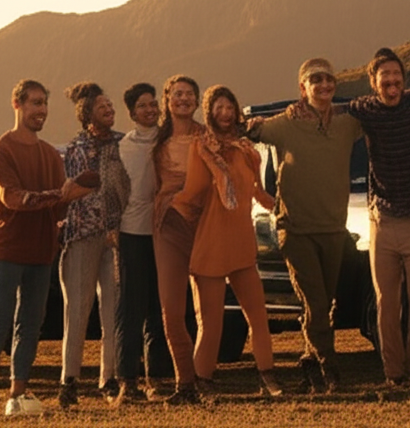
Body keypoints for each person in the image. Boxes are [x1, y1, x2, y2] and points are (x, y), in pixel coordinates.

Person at [0, 79, 91, 422]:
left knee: (30, 324)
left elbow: (58, 210)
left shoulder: (50, 154)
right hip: (6, 248)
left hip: (40, 250)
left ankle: (17, 394)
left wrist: (69, 200)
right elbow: (12, 198)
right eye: (35, 103)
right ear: (17, 104)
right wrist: (61, 195)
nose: (42, 111)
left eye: (45, 104)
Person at [247, 58, 364, 393]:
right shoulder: (285, 123)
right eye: (315, 80)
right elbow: (248, 133)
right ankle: (331, 372)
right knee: (314, 303)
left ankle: (310, 360)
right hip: (295, 229)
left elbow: (380, 112)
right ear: (303, 88)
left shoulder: (347, 124)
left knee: (324, 304)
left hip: (333, 229)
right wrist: (256, 188)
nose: (323, 85)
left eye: (328, 80)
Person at [171, 85, 283, 399]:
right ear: (210, 113)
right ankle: (200, 383)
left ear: (235, 110)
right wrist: (166, 212)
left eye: (228, 107)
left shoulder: (247, 149)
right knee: (211, 322)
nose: (224, 113)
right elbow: (192, 192)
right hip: (210, 244)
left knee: (258, 316)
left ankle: (268, 377)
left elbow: (257, 194)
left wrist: (283, 205)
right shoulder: (202, 147)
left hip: (242, 245)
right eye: (218, 108)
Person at [347, 48, 410, 385]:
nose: (392, 83)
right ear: (374, 82)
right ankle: (394, 373)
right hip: (382, 220)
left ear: (404, 78)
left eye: (397, 76)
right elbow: (331, 111)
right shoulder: (364, 110)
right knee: (386, 302)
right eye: (385, 78)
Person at [58, 82, 131, 408]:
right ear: (87, 114)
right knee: (77, 309)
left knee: (113, 308)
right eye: (103, 106)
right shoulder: (75, 149)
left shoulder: (123, 144)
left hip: (116, 236)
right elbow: (69, 192)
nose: (110, 110)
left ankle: (109, 378)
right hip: (82, 235)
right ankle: (69, 381)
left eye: (112, 105)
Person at [113, 82, 171, 404]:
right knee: (131, 309)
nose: (150, 110)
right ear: (132, 112)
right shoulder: (123, 147)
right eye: (143, 106)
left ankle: (158, 379)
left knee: (160, 307)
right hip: (133, 232)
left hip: (165, 234)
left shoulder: (169, 139)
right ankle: (127, 382)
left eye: (153, 104)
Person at [151, 74, 206, 405]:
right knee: (172, 309)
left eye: (190, 94)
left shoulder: (208, 136)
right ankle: (185, 383)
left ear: (198, 101)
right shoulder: (154, 141)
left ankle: (204, 379)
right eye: (178, 94)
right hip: (168, 224)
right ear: (167, 100)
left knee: (207, 310)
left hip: (205, 224)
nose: (184, 99)